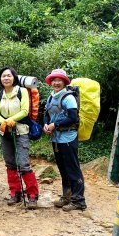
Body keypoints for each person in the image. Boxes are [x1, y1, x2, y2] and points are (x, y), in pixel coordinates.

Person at [0, 67, 39, 209]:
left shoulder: (22, 91)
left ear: (14, 78)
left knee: (23, 164)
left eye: (9, 76)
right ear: (0, 79)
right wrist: (5, 123)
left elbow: (25, 110)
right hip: (5, 132)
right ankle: (15, 193)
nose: (6, 78)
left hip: (21, 131)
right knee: (10, 163)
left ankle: (32, 195)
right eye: (3, 76)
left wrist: (11, 119)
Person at [43, 68, 87, 211]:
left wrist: (54, 124)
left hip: (68, 137)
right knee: (63, 168)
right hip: (56, 139)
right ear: (50, 82)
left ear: (64, 82)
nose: (56, 83)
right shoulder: (51, 97)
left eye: (59, 80)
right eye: (54, 80)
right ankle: (67, 196)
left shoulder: (68, 97)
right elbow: (47, 114)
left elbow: (73, 117)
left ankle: (79, 200)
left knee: (72, 168)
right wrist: (46, 125)